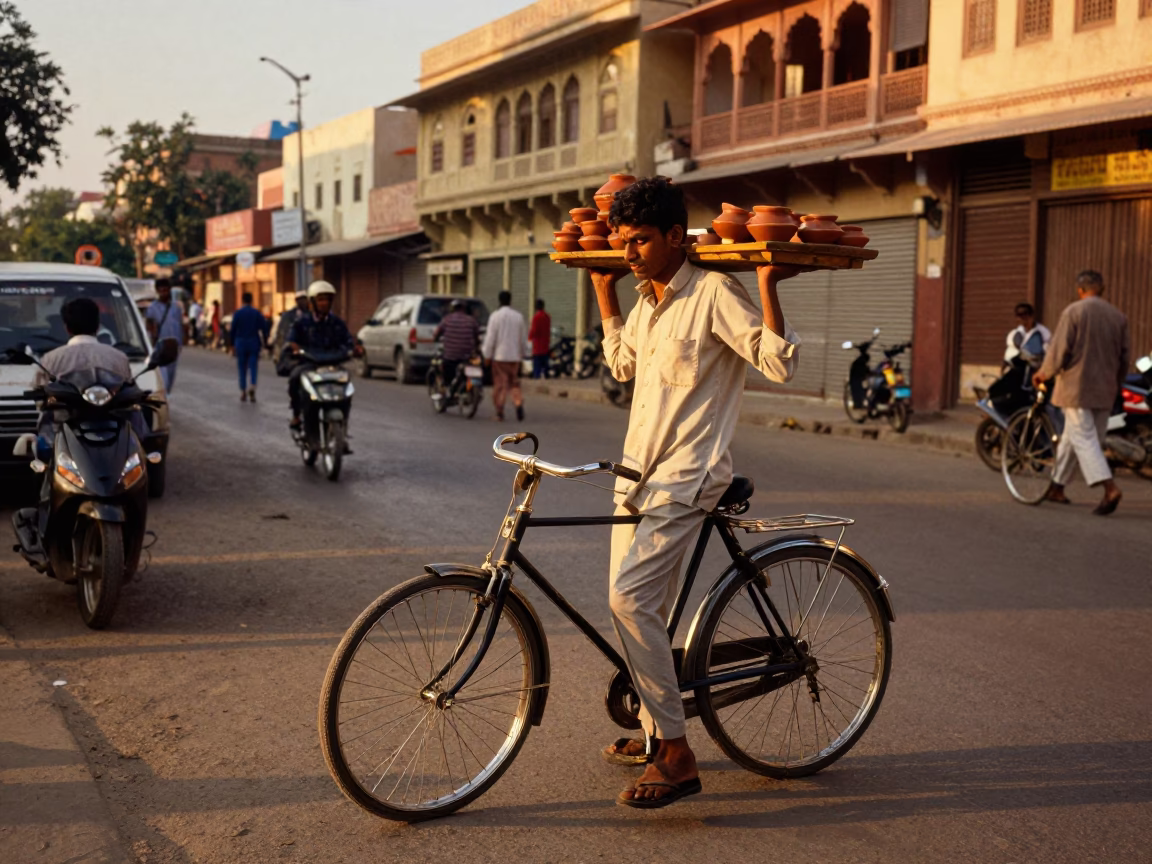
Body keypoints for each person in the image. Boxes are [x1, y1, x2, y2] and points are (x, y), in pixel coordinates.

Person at [588, 176, 801, 809]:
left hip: (687, 478)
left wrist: (765, 285)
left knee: (631, 600)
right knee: (627, 605)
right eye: (622, 243)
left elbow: (778, 364)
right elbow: (622, 365)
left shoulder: (714, 293)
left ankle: (677, 754)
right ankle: (657, 729)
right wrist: (607, 297)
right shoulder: (649, 302)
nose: (629, 255)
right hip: (634, 476)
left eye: (641, 242)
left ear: (677, 237)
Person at [33, 298, 143, 535]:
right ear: (97, 324)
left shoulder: (52, 359)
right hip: (110, 437)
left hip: (64, 437)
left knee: (42, 468)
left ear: (66, 326)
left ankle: (44, 522)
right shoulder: (118, 358)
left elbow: (40, 403)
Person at [1033, 270, 1130, 515]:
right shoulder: (1118, 316)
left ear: (1080, 290)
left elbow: (1059, 348)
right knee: (1076, 438)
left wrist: (1044, 373)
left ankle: (1110, 489)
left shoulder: (1074, 311)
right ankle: (1057, 486)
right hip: (1105, 388)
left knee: (1083, 439)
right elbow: (1124, 356)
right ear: (1103, 289)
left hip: (1077, 387)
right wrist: (1116, 384)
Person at [286, 280, 357, 430]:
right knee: (294, 378)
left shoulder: (337, 323)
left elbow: (348, 341)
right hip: (309, 364)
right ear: (312, 302)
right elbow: (292, 340)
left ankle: (343, 424)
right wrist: (294, 348)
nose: (324, 303)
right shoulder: (302, 322)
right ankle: (297, 415)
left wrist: (355, 348)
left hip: (333, 364)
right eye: (320, 299)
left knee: (347, 387)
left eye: (327, 299)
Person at [482, 290, 527, 422]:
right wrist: (523, 354)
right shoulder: (518, 316)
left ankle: (500, 412)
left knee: (500, 384)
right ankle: (518, 403)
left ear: (499, 301)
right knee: (514, 383)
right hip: (514, 357)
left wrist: (487, 355)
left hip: (500, 357)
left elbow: (491, 338)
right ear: (510, 300)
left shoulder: (495, 316)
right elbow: (522, 338)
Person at [433, 298, 480, 397]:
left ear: (453, 308)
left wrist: (436, 339)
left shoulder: (446, 320)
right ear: (464, 308)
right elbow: (476, 337)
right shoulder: (472, 321)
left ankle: (444, 388)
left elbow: (436, 334)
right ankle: (469, 388)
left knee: (440, 365)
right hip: (467, 357)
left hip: (450, 356)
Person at [229, 292, 270, 402]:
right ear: (252, 300)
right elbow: (264, 328)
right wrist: (265, 342)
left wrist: (231, 345)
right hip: (253, 342)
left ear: (242, 300)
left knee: (242, 368)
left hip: (240, 342)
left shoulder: (238, 313)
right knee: (253, 366)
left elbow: (232, 330)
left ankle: (243, 391)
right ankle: (252, 385)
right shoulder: (256, 313)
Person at [145, 278, 184, 392]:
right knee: (163, 378)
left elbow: (180, 325)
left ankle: (167, 395)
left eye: (166, 290)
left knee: (171, 376)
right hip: (159, 347)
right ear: (157, 291)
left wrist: (181, 342)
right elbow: (150, 327)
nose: (164, 293)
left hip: (173, 347)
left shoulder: (176, 307)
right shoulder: (152, 308)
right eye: (161, 290)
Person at [272, 289, 310, 362]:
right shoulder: (288, 315)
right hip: (291, 349)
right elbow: (281, 333)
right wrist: (277, 352)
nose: (303, 302)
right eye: (300, 299)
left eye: (304, 299)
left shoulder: (311, 314)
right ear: (296, 301)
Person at [529, 298, 551, 379]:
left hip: (537, 344)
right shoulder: (547, 316)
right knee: (545, 362)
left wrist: (529, 338)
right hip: (545, 343)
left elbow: (534, 331)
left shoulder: (536, 317)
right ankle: (546, 375)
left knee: (537, 363)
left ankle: (537, 376)